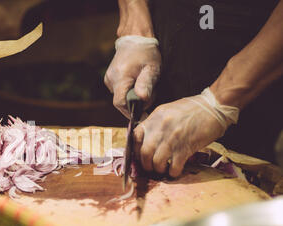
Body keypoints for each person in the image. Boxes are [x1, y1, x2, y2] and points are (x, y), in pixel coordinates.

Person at [105, 0, 283, 177]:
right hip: (168, 25)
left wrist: (219, 101)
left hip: (258, 48)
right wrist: (135, 30)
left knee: (249, 175)